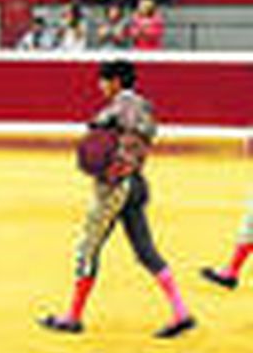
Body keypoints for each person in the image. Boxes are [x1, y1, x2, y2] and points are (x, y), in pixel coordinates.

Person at [40, 61, 194, 338]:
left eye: (103, 81)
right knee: (145, 250)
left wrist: (112, 169)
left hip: (116, 187)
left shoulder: (117, 109)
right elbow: (140, 140)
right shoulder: (144, 107)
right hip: (137, 184)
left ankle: (73, 317)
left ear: (115, 82)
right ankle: (180, 311)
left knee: (88, 249)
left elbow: (106, 144)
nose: (100, 86)